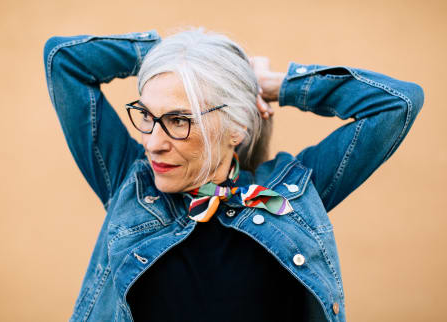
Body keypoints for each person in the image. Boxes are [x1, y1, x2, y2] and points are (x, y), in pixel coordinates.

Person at [43, 28, 424, 322]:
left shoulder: (289, 194)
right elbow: (64, 60)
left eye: (178, 120)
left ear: (236, 128)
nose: (152, 143)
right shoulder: (131, 183)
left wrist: (281, 85)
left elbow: (396, 103)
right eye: (147, 116)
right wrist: (183, 51)